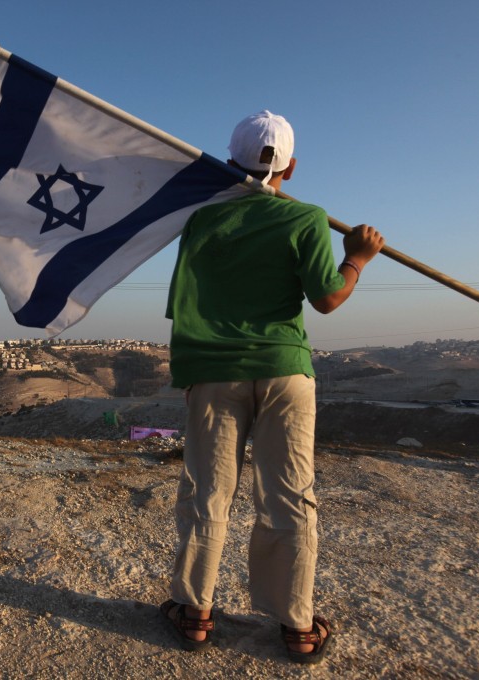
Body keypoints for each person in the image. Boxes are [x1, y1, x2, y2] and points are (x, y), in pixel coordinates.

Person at [159, 110, 385, 665]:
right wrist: (357, 258)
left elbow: (191, 299)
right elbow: (327, 298)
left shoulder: (201, 221)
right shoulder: (306, 218)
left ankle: (194, 614)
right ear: (293, 167)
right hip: (285, 372)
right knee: (289, 495)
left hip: (215, 371)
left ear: (230, 161)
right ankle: (298, 627)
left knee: (209, 493)